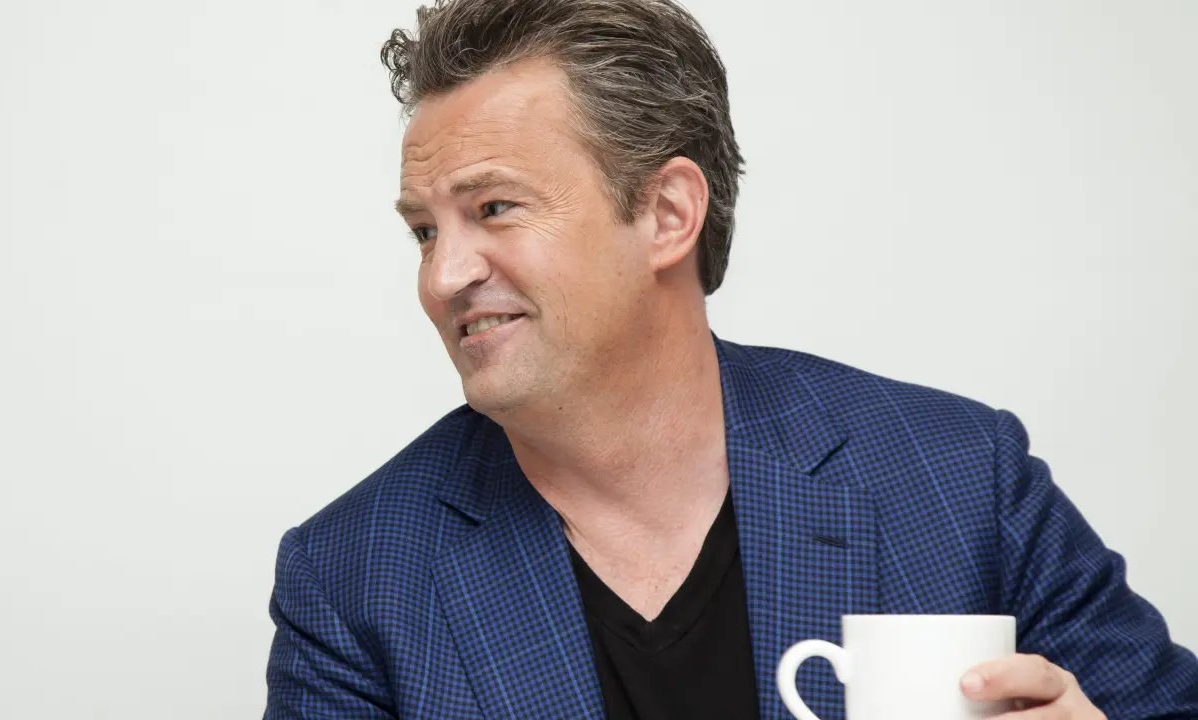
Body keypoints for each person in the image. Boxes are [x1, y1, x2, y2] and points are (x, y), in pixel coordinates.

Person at [263, 1, 1198, 717]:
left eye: (494, 209)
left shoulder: (958, 480)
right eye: (425, 231)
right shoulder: (350, 577)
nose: (442, 277)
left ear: (668, 214)